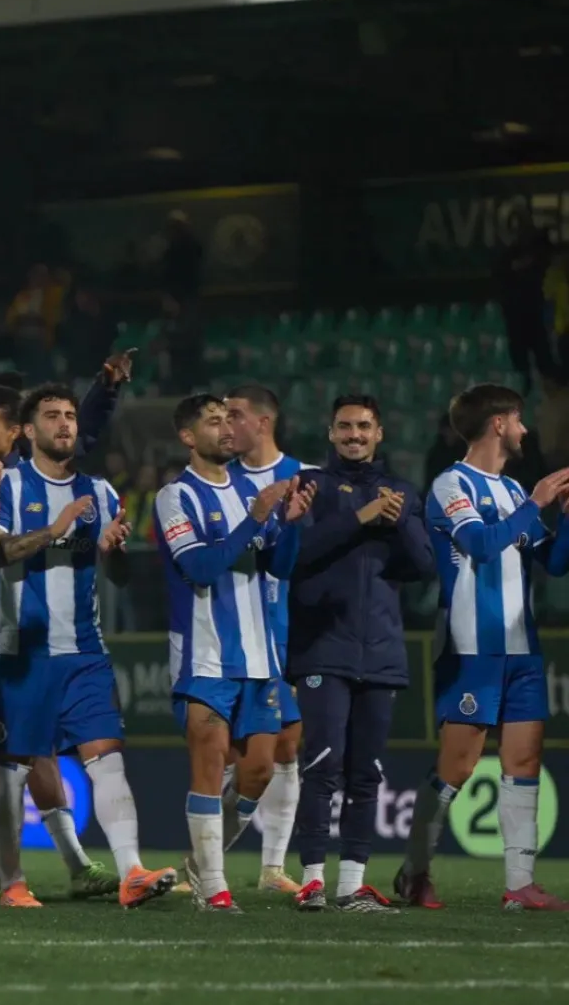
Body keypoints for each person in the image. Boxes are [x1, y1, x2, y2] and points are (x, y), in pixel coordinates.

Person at [0, 383, 179, 908]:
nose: (65, 424)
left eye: (69, 415)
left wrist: (114, 553)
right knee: (11, 770)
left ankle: (131, 872)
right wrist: (54, 530)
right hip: (22, 654)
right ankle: (12, 883)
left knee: (107, 760)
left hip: (86, 653)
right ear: (29, 429)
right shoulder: (9, 487)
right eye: (52, 416)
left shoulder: (103, 492)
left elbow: (123, 577)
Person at [399, 384, 569, 910]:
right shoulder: (452, 483)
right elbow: (478, 545)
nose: (524, 430)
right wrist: (538, 503)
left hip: (522, 647)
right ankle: (415, 871)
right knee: (459, 766)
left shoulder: (516, 491)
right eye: (518, 421)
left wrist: (563, 516)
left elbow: (554, 564)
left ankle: (519, 885)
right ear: (498, 423)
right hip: (471, 646)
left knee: (524, 758)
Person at [154, 394, 308, 913]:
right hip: (207, 657)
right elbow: (198, 568)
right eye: (212, 422)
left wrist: (289, 524)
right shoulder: (176, 497)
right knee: (209, 762)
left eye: (228, 420)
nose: (225, 429)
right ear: (187, 436)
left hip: (260, 657)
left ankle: (200, 866)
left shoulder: (250, 489)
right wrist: (254, 520)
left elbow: (278, 566)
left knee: (260, 771)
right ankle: (214, 887)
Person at [286, 395, 434, 912]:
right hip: (323, 645)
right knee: (323, 764)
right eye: (345, 427)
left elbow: (423, 565)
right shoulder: (314, 486)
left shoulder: (403, 493)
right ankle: (311, 881)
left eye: (364, 427)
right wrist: (362, 515)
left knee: (366, 771)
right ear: (330, 433)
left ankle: (350, 885)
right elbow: (298, 555)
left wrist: (398, 522)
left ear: (379, 433)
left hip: (383, 650)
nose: (354, 435)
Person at [222, 384, 311, 893]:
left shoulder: (302, 478)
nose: (225, 424)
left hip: (287, 632)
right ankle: (203, 861)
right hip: (234, 632)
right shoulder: (220, 479)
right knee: (232, 752)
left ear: (262, 422)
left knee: (287, 745)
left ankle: (272, 867)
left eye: (234, 414)